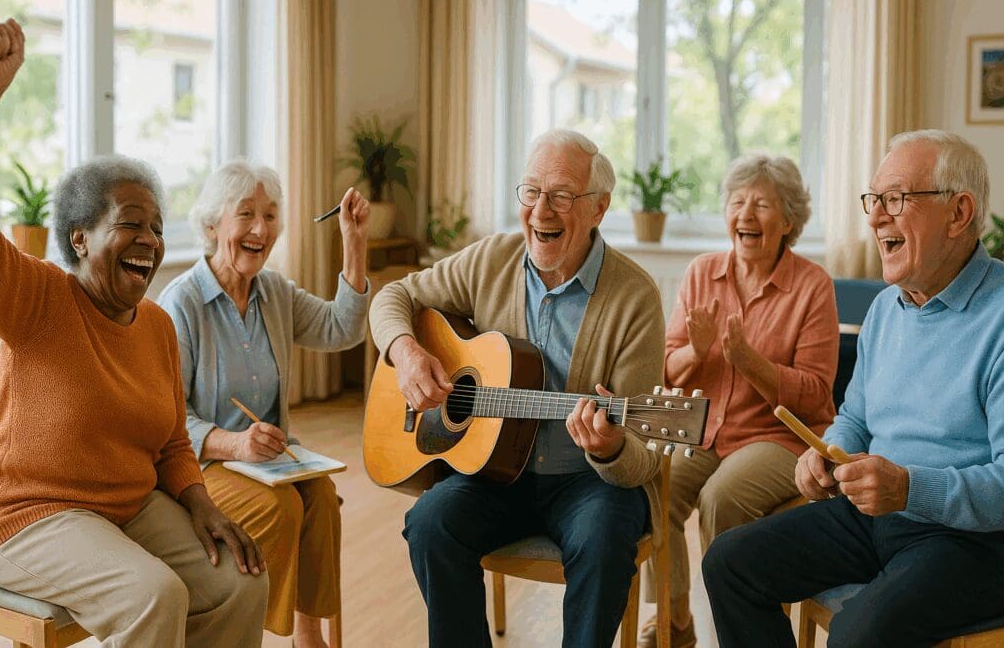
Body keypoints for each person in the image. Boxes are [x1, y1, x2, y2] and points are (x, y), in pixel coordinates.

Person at [0, 19, 268, 646]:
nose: (149, 241)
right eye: (130, 223)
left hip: (127, 509)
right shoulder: (39, 298)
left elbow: (170, 444)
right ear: (80, 237)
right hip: (27, 517)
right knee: (152, 595)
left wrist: (202, 503)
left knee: (240, 581)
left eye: (157, 227)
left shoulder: (158, 325)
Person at [703, 130, 1004, 647]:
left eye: (896, 199)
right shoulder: (887, 308)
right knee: (730, 563)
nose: (875, 217)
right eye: (874, 200)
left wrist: (910, 488)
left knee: (855, 634)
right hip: (877, 516)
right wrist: (827, 453)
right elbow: (856, 416)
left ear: (958, 214)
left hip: (973, 540)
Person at [369, 129, 665, 648]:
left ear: (598, 209)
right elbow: (394, 296)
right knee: (431, 524)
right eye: (531, 191)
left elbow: (645, 459)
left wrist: (611, 446)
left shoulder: (635, 297)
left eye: (561, 195)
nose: (540, 210)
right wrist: (406, 352)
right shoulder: (491, 260)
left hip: (587, 483)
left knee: (603, 541)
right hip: (494, 473)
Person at [158, 160, 369, 648]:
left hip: (268, 461)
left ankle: (307, 636)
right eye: (246, 214)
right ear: (214, 226)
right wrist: (235, 442)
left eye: (271, 216)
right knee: (282, 508)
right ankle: (245, 630)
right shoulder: (181, 304)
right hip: (200, 468)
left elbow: (343, 327)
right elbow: (167, 421)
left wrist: (354, 243)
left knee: (320, 498)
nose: (260, 229)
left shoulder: (273, 292)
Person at [639, 155, 839, 648]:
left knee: (721, 498)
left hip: (777, 438)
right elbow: (665, 366)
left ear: (788, 220)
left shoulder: (813, 287)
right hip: (701, 429)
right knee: (648, 484)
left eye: (762, 204)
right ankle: (676, 620)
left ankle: (739, 630)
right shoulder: (701, 272)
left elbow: (816, 396)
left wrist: (749, 362)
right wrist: (696, 351)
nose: (746, 213)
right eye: (737, 202)